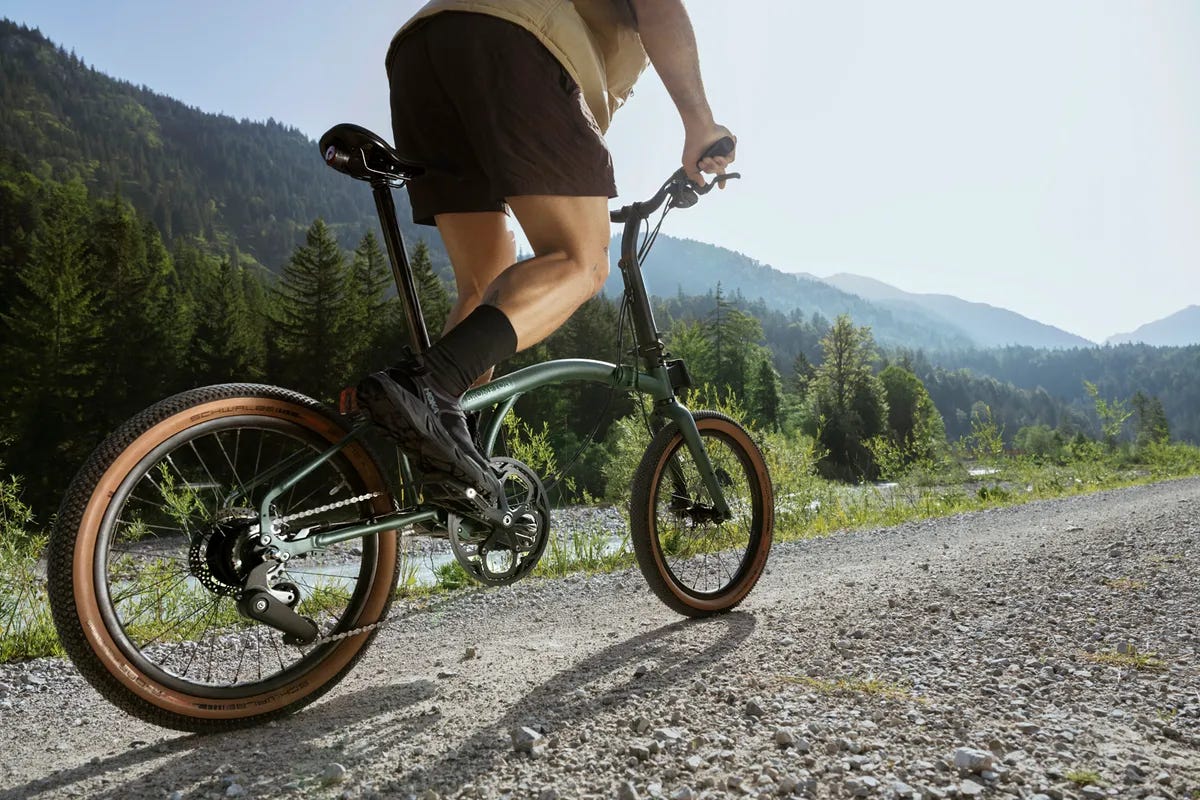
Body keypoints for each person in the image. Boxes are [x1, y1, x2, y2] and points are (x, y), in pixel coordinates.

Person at [357, 0, 736, 497]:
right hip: (516, 38)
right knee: (582, 261)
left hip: (422, 49)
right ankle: (429, 385)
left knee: (482, 286)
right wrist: (700, 123)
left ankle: (446, 466)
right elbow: (659, 6)